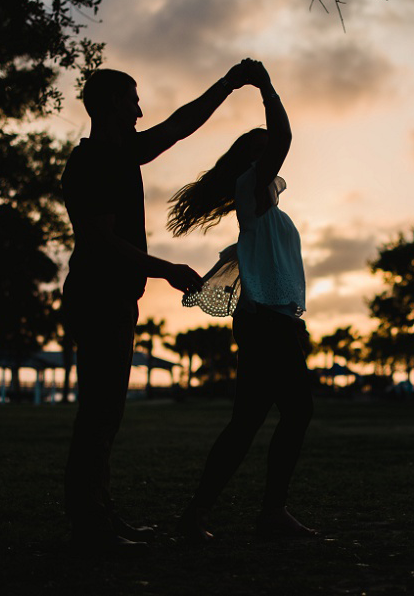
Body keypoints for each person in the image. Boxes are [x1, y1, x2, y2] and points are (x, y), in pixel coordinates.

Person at [61, 62, 254, 556]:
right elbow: (101, 242)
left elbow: (180, 124)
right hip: (99, 298)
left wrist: (228, 84)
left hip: (114, 298)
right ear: (108, 105)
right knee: (100, 416)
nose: (140, 110)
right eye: (131, 100)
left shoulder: (121, 154)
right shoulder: (96, 163)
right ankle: (90, 524)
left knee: (105, 415)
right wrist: (165, 268)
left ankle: (98, 516)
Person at [167, 62, 316, 542]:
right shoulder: (251, 186)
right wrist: (266, 87)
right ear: (255, 158)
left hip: (270, 320)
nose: (274, 154)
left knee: (247, 422)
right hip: (267, 324)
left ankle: (197, 515)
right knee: (296, 411)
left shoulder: (263, 201)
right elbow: (284, 137)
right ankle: (270, 513)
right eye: (264, 148)